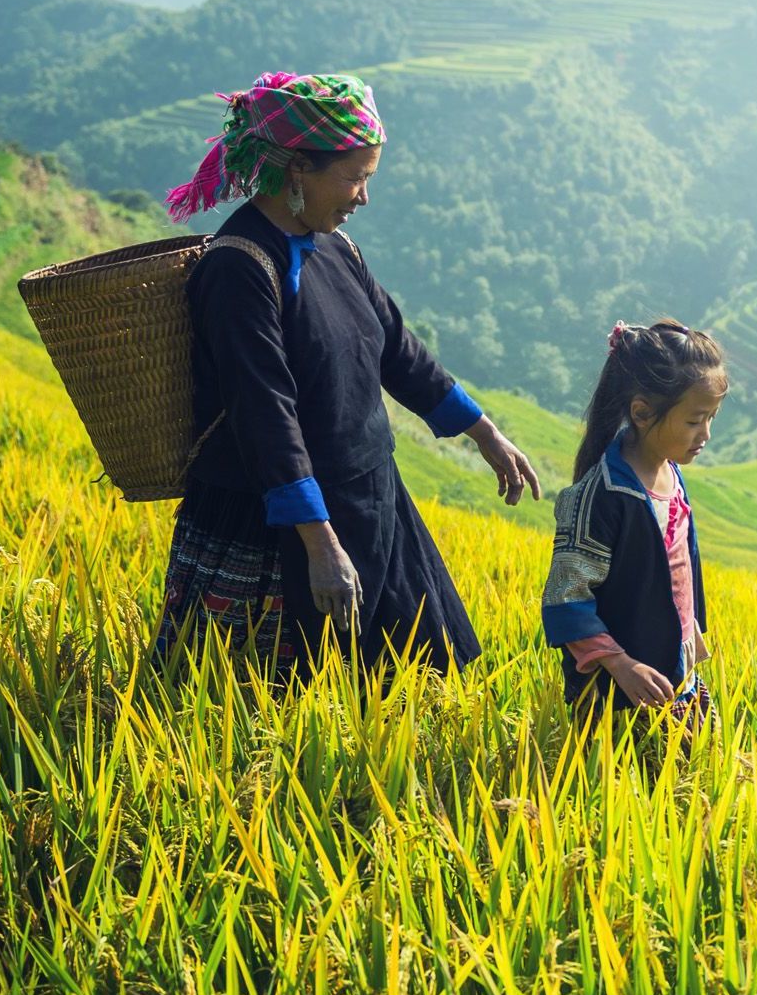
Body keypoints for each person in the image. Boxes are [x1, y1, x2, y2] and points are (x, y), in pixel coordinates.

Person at [152, 70, 540, 676]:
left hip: (371, 498)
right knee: (272, 698)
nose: (363, 196)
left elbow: (397, 352)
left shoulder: (335, 246)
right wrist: (318, 542)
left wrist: (485, 434)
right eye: (355, 177)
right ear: (297, 169)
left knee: (425, 674)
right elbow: (264, 415)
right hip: (279, 522)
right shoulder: (239, 267)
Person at [541, 319, 727, 721]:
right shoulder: (603, 495)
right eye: (695, 421)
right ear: (642, 412)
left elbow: (677, 570)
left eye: (711, 418)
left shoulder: (671, 476)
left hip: (672, 679)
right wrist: (622, 665)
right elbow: (566, 597)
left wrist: (690, 633)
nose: (706, 434)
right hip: (618, 695)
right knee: (622, 781)